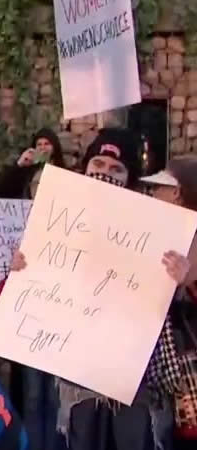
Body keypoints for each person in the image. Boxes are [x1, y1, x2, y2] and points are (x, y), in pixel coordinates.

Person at [10, 128, 189, 450]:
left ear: (130, 178)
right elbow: (41, 283)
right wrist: (24, 267)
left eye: (115, 169)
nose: (105, 174)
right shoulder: (58, 220)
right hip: (78, 377)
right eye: (99, 164)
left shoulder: (153, 228)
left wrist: (180, 277)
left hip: (135, 380)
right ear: (86, 169)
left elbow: (168, 298)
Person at [139, 156, 197, 450]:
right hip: (159, 389)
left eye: (159, 188)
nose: (152, 194)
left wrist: (191, 283)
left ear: (177, 193)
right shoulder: (149, 237)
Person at [0, 128, 66, 199]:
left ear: (54, 147)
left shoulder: (63, 171)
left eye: (46, 144)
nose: (42, 147)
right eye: (39, 144)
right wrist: (19, 164)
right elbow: (1, 189)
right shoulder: (28, 169)